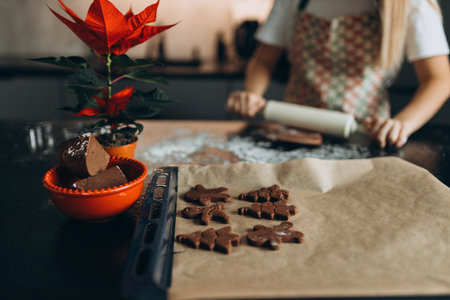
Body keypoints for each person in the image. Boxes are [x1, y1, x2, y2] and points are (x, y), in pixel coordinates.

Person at [226, 0, 450, 148]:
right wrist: (252, 94)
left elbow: (439, 79)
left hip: (365, 136)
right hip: (294, 133)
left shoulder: (409, 4)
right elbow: (263, 60)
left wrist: (403, 124)